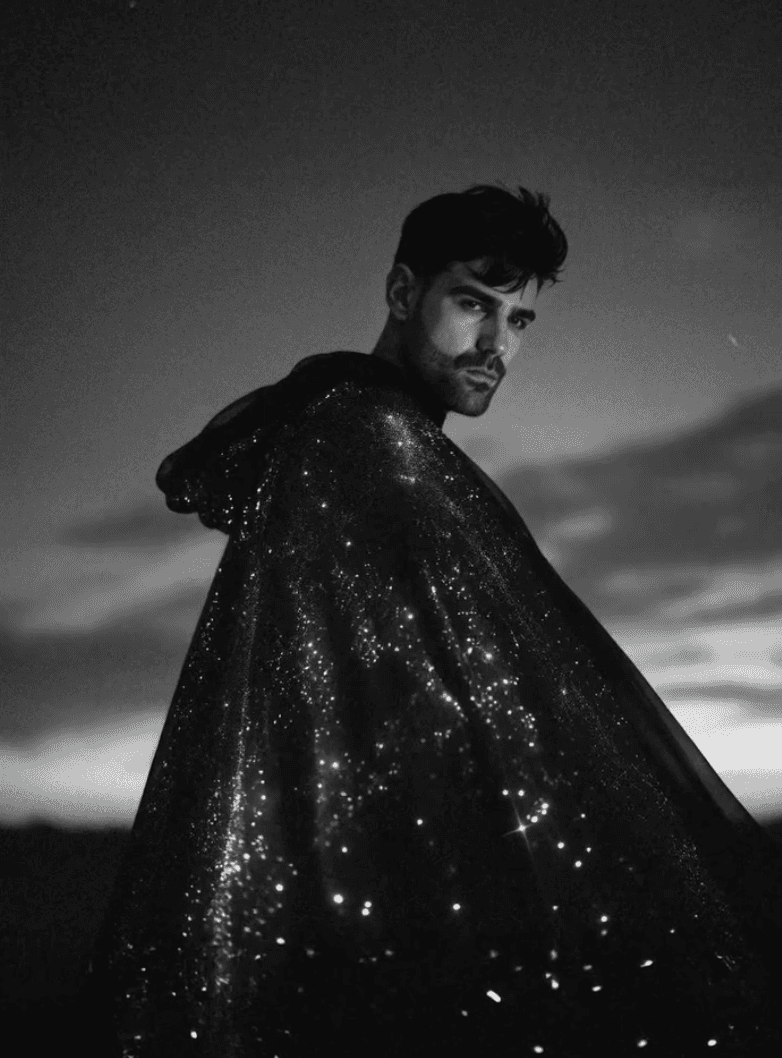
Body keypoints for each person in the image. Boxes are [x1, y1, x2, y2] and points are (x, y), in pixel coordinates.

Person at [91, 184, 782, 1056]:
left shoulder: (346, 428)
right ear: (401, 294)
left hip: (360, 892)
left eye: (521, 323)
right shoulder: (367, 440)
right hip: (376, 901)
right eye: (473, 305)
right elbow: (407, 713)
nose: (497, 346)